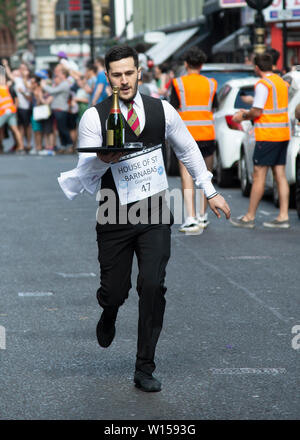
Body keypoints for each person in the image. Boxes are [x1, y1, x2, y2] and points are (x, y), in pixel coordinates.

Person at [58, 45, 230, 392]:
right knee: (115, 291)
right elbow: (85, 175)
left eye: (128, 73)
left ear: (140, 73)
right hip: (113, 210)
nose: (123, 81)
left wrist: (209, 190)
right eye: (116, 75)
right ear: (109, 78)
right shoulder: (95, 116)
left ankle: (144, 367)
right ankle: (109, 309)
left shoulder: (161, 110)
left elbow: (188, 149)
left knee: (153, 285)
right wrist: (104, 159)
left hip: (154, 210)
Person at [230, 53, 290, 229]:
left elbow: (257, 112)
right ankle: (283, 216)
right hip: (282, 134)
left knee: (258, 175)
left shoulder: (262, 84)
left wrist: (243, 115)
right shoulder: (281, 82)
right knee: (280, 174)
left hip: (267, 135)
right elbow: (271, 105)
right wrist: (252, 103)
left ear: (257, 68)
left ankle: (249, 217)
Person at [170, 47, 218, 232]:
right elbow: (214, 107)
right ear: (202, 64)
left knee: (187, 176)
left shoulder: (178, 83)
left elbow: (173, 110)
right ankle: (202, 215)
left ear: (186, 64)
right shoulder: (211, 83)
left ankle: (190, 217)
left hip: (186, 137)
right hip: (207, 134)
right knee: (205, 174)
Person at [41, 64, 73, 153]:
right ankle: (63, 145)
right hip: (57, 108)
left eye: (60, 74)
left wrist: (44, 86)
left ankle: (69, 145)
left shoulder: (65, 84)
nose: (58, 76)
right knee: (60, 129)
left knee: (63, 128)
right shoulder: (61, 84)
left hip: (61, 109)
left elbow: (52, 91)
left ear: (64, 75)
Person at [0, 65, 24, 153]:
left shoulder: (4, 87)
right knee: (14, 129)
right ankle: (21, 146)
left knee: (13, 129)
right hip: (10, 110)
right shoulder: (7, 87)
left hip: (5, 111)